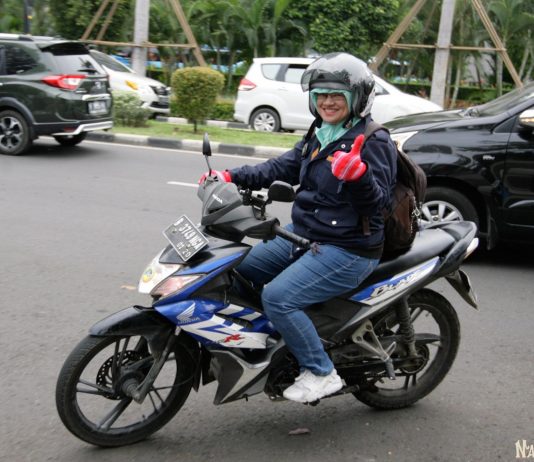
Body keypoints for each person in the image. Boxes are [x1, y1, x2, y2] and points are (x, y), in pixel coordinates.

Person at [200, 52, 398, 403]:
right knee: (235, 270)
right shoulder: (320, 133)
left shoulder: (373, 140)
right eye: (321, 94)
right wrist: (230, 176)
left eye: (337, 94)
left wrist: (360, 177)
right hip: (304, 235)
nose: (327, 101)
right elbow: (283, 167)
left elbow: (379, 204)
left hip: (348, 248)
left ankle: (321, 372)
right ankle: (275, 341)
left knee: (278, 298)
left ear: (357, 98)